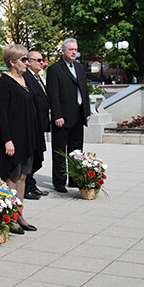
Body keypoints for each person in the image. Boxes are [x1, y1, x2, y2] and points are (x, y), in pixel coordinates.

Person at [0, 44, 38, 234]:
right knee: (12, 176)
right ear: (12, 62)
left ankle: (19, 215)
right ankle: (9, 215)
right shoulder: (4, 82)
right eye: (23, 59)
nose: (27, 63)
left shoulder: (24, 80)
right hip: (13, 137)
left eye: (27, 59)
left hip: (27, 136)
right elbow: (2, 115)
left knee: (23, 176)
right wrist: (7, 140)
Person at [47, 38, 91, 193]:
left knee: (76, 150)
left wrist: (87, 111)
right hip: (62, 117)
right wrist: (57, 115)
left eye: (75, 49)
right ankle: (59, 181)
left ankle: (74, 178)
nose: (74, 52)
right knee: (60, 151)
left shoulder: (79, 67)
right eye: (71, 49)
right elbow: (53, 94)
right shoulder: (55, 69)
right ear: (63, 51)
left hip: (78, 116)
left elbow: (83, 91)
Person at [22, 51, 50, 200]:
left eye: (42, 60)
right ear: (29, 61)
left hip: (40, 124)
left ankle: (31, 184)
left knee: (38, 156)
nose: (41, 63)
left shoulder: (37, 77)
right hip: (32, 124)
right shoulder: (26, 76)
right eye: (38, 60)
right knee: (33, 157)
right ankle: (26, 187)